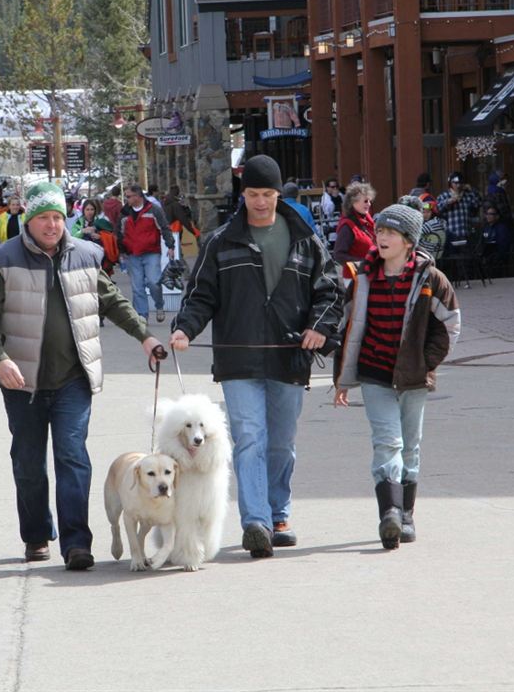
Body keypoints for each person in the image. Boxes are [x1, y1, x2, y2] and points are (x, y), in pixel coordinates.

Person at [0, 181, 165, 571]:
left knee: (73, 456)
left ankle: (77, 543)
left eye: (58, 217)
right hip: (22, 380)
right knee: (28, 461)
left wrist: (144, 336)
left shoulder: (86, 255)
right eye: (43, 217)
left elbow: (112, 301)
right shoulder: (3, 259)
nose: (51, 225)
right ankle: (37, 534)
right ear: (29, 220)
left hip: (73, 378)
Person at [169, 155, 343, 559]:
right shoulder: (221, 241)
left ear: (279, 194)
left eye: (267, 194)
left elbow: (331, 290)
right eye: (252, 194)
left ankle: (279, 514)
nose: (260, 202)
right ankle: (256, 523)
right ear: (242, 195)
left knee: (281, 442)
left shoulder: (304, 238)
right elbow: (201, 296)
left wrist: (318, 326)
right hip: (238, 359)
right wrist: (184, 329)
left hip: (290, 357)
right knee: (249, 439)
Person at [332, 204, 460, 550]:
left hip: (413, 378)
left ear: (408, 241)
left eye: (391, 233)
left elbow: (450, 326)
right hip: (375, 374)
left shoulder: (430, 279)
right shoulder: (362, 277)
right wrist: (341, 379)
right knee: (388, 441)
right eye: (380, 231)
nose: (382, 237)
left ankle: (406, 515)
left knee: (411, 446)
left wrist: (425, 362)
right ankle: (389, 512)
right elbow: (347, 328)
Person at [117, 185, 176, 323]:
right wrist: (122, 251)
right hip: (132, 253)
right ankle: (142, 315)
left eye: (129, 196)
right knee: (137, 287)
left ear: (138, 196)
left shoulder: (154, 210)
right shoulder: (125, 212)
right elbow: (118, 232)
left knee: (154, 282)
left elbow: (164, 228)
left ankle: (159, 305)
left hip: (151, 252)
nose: (127, 199)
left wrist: (170, 246)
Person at [333, 181, 378, 276]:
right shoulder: (347, 226)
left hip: (369, 274)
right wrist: (364, 262)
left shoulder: (368, 222)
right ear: (353, 202)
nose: (369, 204)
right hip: (355, 277)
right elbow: (339, 255)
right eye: (365, 201)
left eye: (370, 201)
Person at [436, 172, 482, 243]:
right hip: (451, 234)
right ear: (450, 183)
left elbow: (478, 203)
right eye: (455, 183)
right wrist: (449, 201)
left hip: (466, 233)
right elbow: (437, 209)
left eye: (460, 183)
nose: (458, 185)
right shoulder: (444, 196)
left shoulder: (467, 195)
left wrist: (471, 190)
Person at [399, 194, 446, 261]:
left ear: (432, 212)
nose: (425, 215)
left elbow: (412, 235)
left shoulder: (430, 224)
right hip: (435, 256)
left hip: (427, 256)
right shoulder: (438, 222)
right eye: (423, 212)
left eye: (428, 212)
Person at [479, 203, 514, 270]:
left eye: (491, 214)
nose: (488, 216)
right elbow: (482, 241)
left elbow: (503, 245)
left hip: (498, 254)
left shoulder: (502, 228)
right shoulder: (486, 227)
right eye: (487, 214)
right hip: (487, 252)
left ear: (497, 216)